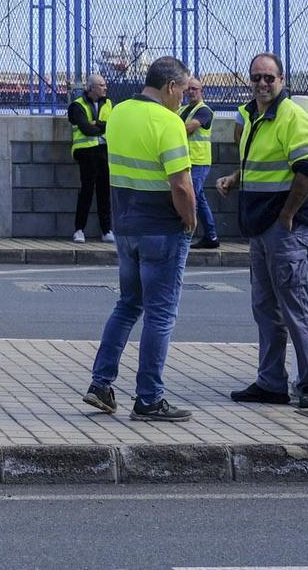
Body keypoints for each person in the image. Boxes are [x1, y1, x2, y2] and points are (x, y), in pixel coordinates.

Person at [83, 55, 198, 422]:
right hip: (162, 230)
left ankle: (100, 384)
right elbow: (181, 185)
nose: (183, 97)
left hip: (126, 227)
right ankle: (148, 398)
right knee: (160, 315)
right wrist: (191, 221)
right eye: (182, 90)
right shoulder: (168, 121)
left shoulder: (119, 114)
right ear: (170, 87)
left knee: (128, 304)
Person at [217, 52, 308, 409]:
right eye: (256, 78)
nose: (262, 84)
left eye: (269, 78)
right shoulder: (252, 115)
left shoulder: (291, 116)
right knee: (265, 307)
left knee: (293, 306)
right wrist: (236, 178)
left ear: (282, 81)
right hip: (263, 225)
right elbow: (262, 164)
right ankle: (271, 382)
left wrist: (287, 216)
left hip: (284, 227)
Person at [68, 73, 115, 244]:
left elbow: (113, 126)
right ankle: (79, 230)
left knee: (104, 191)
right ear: (91, 88)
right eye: (101, 85)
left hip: (103, 151)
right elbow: (85, 128)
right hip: (86, 153)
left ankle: (106, 230)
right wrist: (100, 125)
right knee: (86, 191)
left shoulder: (108, 104)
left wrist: (97, 124)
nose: (105, 88)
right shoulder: (77, 106)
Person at [179, 78, 219, 249]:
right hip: (187, 161)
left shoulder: (204, 111)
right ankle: (211, 236)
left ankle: (185, 237)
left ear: (201, 90)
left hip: (199, 161)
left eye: (194, 88)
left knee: (191, 197)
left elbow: (189, 128)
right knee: (199, 199)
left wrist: (172, 127)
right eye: (188, 89)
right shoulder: (183, 109)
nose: (191, 91)